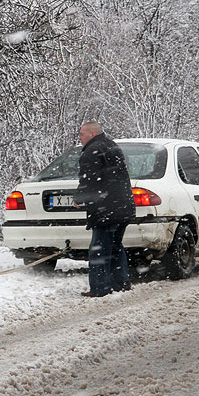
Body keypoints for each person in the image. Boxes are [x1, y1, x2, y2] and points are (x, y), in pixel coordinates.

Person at [73, 120, 135, 297]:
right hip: (122, 206)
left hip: (105, 209)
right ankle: (120, 284)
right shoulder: (112, 146)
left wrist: (79, 198)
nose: (79, 137)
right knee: (115, 246)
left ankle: (100, 288)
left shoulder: (92, 151)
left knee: (99, 249)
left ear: (92, 134)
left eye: (82, 134)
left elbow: (89, 179)